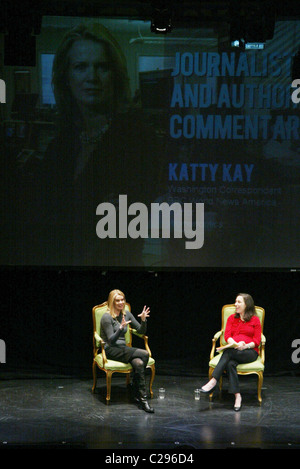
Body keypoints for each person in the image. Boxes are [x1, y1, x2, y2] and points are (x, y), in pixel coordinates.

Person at [36, 22, 162, 266]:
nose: (91, 77)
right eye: (81, 67)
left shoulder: (137, 137)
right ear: (66, 76)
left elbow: (127, 223)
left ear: (114, 74)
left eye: (101, 67)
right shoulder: (61, 144)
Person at [200, 293, 261, 411]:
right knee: (230, 363)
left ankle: (213, 381)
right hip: (234, 349)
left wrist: (245, 346)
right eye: (235, 301)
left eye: (239, 302)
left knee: (228, 353)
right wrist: (234, 343)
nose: (236, 304)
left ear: (246, 304)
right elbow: (227, 335)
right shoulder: (231, 318)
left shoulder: (255, 320)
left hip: (250, 352)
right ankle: (237, 396)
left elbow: (257, 341)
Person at [100, 289, 154, 413]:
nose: (121, 302)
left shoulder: (126, 314)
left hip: (124, 349)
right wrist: (120, 329)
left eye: (122, 300)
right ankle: (140, 395)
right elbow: (111, 341)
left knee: (139, 364)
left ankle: (140, 397)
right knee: (145, 354)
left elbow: (140, 331)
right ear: (112, 302)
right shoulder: (106, 317)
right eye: (117, 300)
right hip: (111, 350)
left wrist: (144, 320)